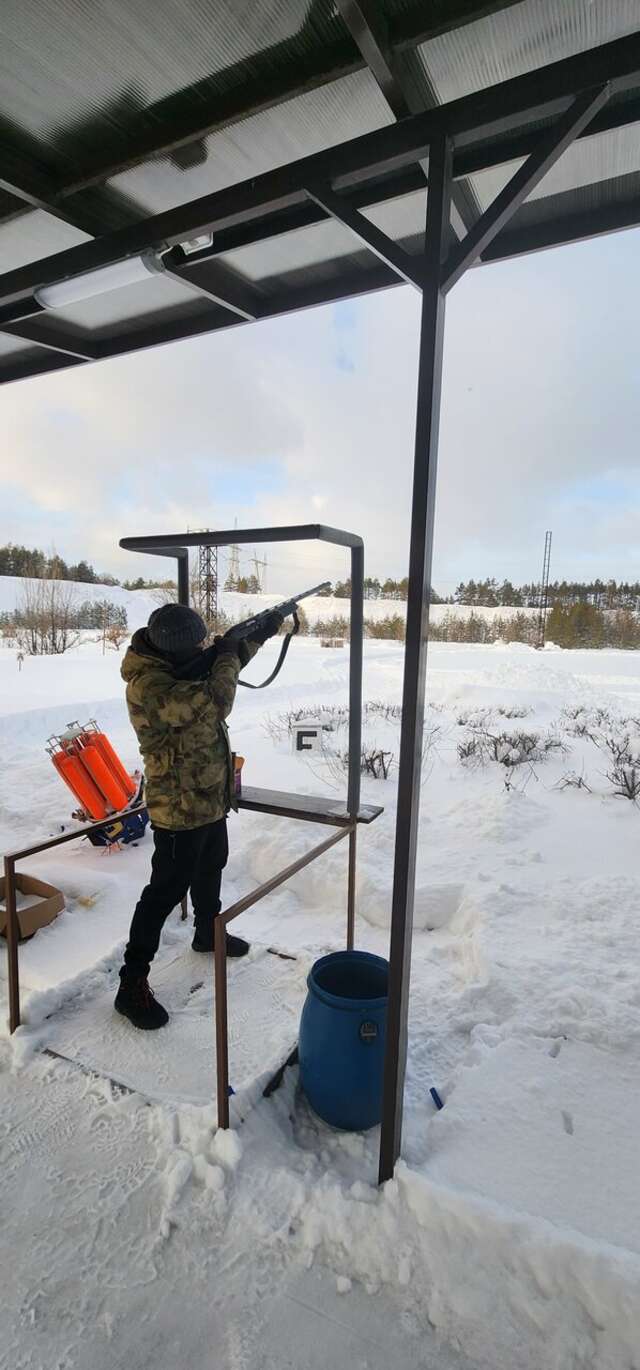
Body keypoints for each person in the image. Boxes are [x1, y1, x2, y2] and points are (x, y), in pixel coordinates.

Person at [114, 601, 282, 1029]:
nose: (203, 649)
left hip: (208, 797)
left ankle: (209, 933)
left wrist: (257, 635)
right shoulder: (150, 685)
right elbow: (216, 698)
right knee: (162, 895)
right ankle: (131, 984)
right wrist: (226, 653)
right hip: (178, 807)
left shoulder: (179, 664)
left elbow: (224, 660)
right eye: (197, 645)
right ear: (173, 650)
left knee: (211, 867)